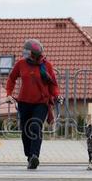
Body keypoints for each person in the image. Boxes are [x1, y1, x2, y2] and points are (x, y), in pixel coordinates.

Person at [5, 39, 60, 170]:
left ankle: (35, 155)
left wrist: (57, 95)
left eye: (27, 52)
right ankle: (29, 156)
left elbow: (53, 84)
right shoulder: (21, 64)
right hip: (24, 102)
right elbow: (11, 78)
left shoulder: (47, 66)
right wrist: (9, 94)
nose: (26, 54)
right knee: (25, 131)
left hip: (41, 103)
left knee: (35, 127)